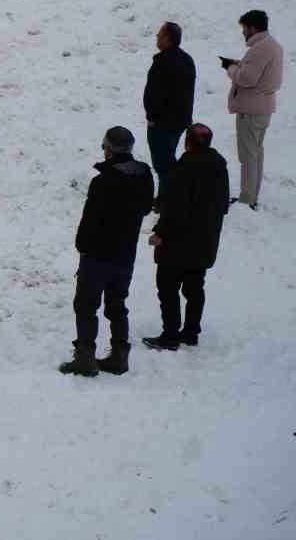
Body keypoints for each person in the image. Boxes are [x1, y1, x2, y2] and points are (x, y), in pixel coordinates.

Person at [59, 126, 154, 378]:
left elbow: (90, 220)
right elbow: (145, 209)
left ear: (109, 150)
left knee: (86, 305)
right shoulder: (144, 175)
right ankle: (120, 356)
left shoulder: (103, 182)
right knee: (117, 304)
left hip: (98, 254)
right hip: (125, 254)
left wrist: (82, 246)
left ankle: (85, 357)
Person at [143, 124, 229, 351]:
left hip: (178, 242)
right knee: (194, 288)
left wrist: (160, 233)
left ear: (187, 142)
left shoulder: (182, 169)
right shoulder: (220, 167)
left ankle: (170, 335)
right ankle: (191, 332)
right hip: (205, 241)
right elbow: (222, 206)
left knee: (168, 288)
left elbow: (175, 209)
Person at [222, 9, 283, 209]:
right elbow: (256, 71)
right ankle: (251, 196)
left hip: (251, 111)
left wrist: (230, 68)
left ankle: (247, 199)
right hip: (263, 109)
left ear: (253, 28)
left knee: (248, 156)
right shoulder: (272, 46)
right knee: (255, 153)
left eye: (244, 28)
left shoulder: (260, 49)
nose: (243, 33)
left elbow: (247, 78)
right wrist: (239, 64)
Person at [143, 21, 196, 201]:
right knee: (167, 158)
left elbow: (156, 94)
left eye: (159, 34)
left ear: (167, 39)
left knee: (162, 163)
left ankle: (169, 198)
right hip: (179, 121)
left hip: (162, 122)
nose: (156, 37)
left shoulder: (163, 62)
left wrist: (152, 117)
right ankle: (169, 195)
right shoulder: (187, 60)